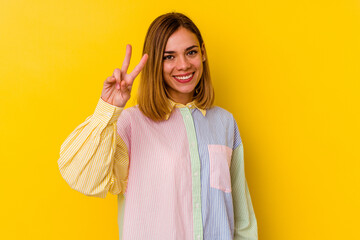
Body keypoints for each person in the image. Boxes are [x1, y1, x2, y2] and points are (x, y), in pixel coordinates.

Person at [58, 12, 258, 240]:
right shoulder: (130, 123)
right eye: (169, 57)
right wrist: (108, 109)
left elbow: (242, 220)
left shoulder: (225, 123)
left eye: (191, 52)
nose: (183, 65)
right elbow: (82, 178)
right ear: (154, 62)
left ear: (202, 53)